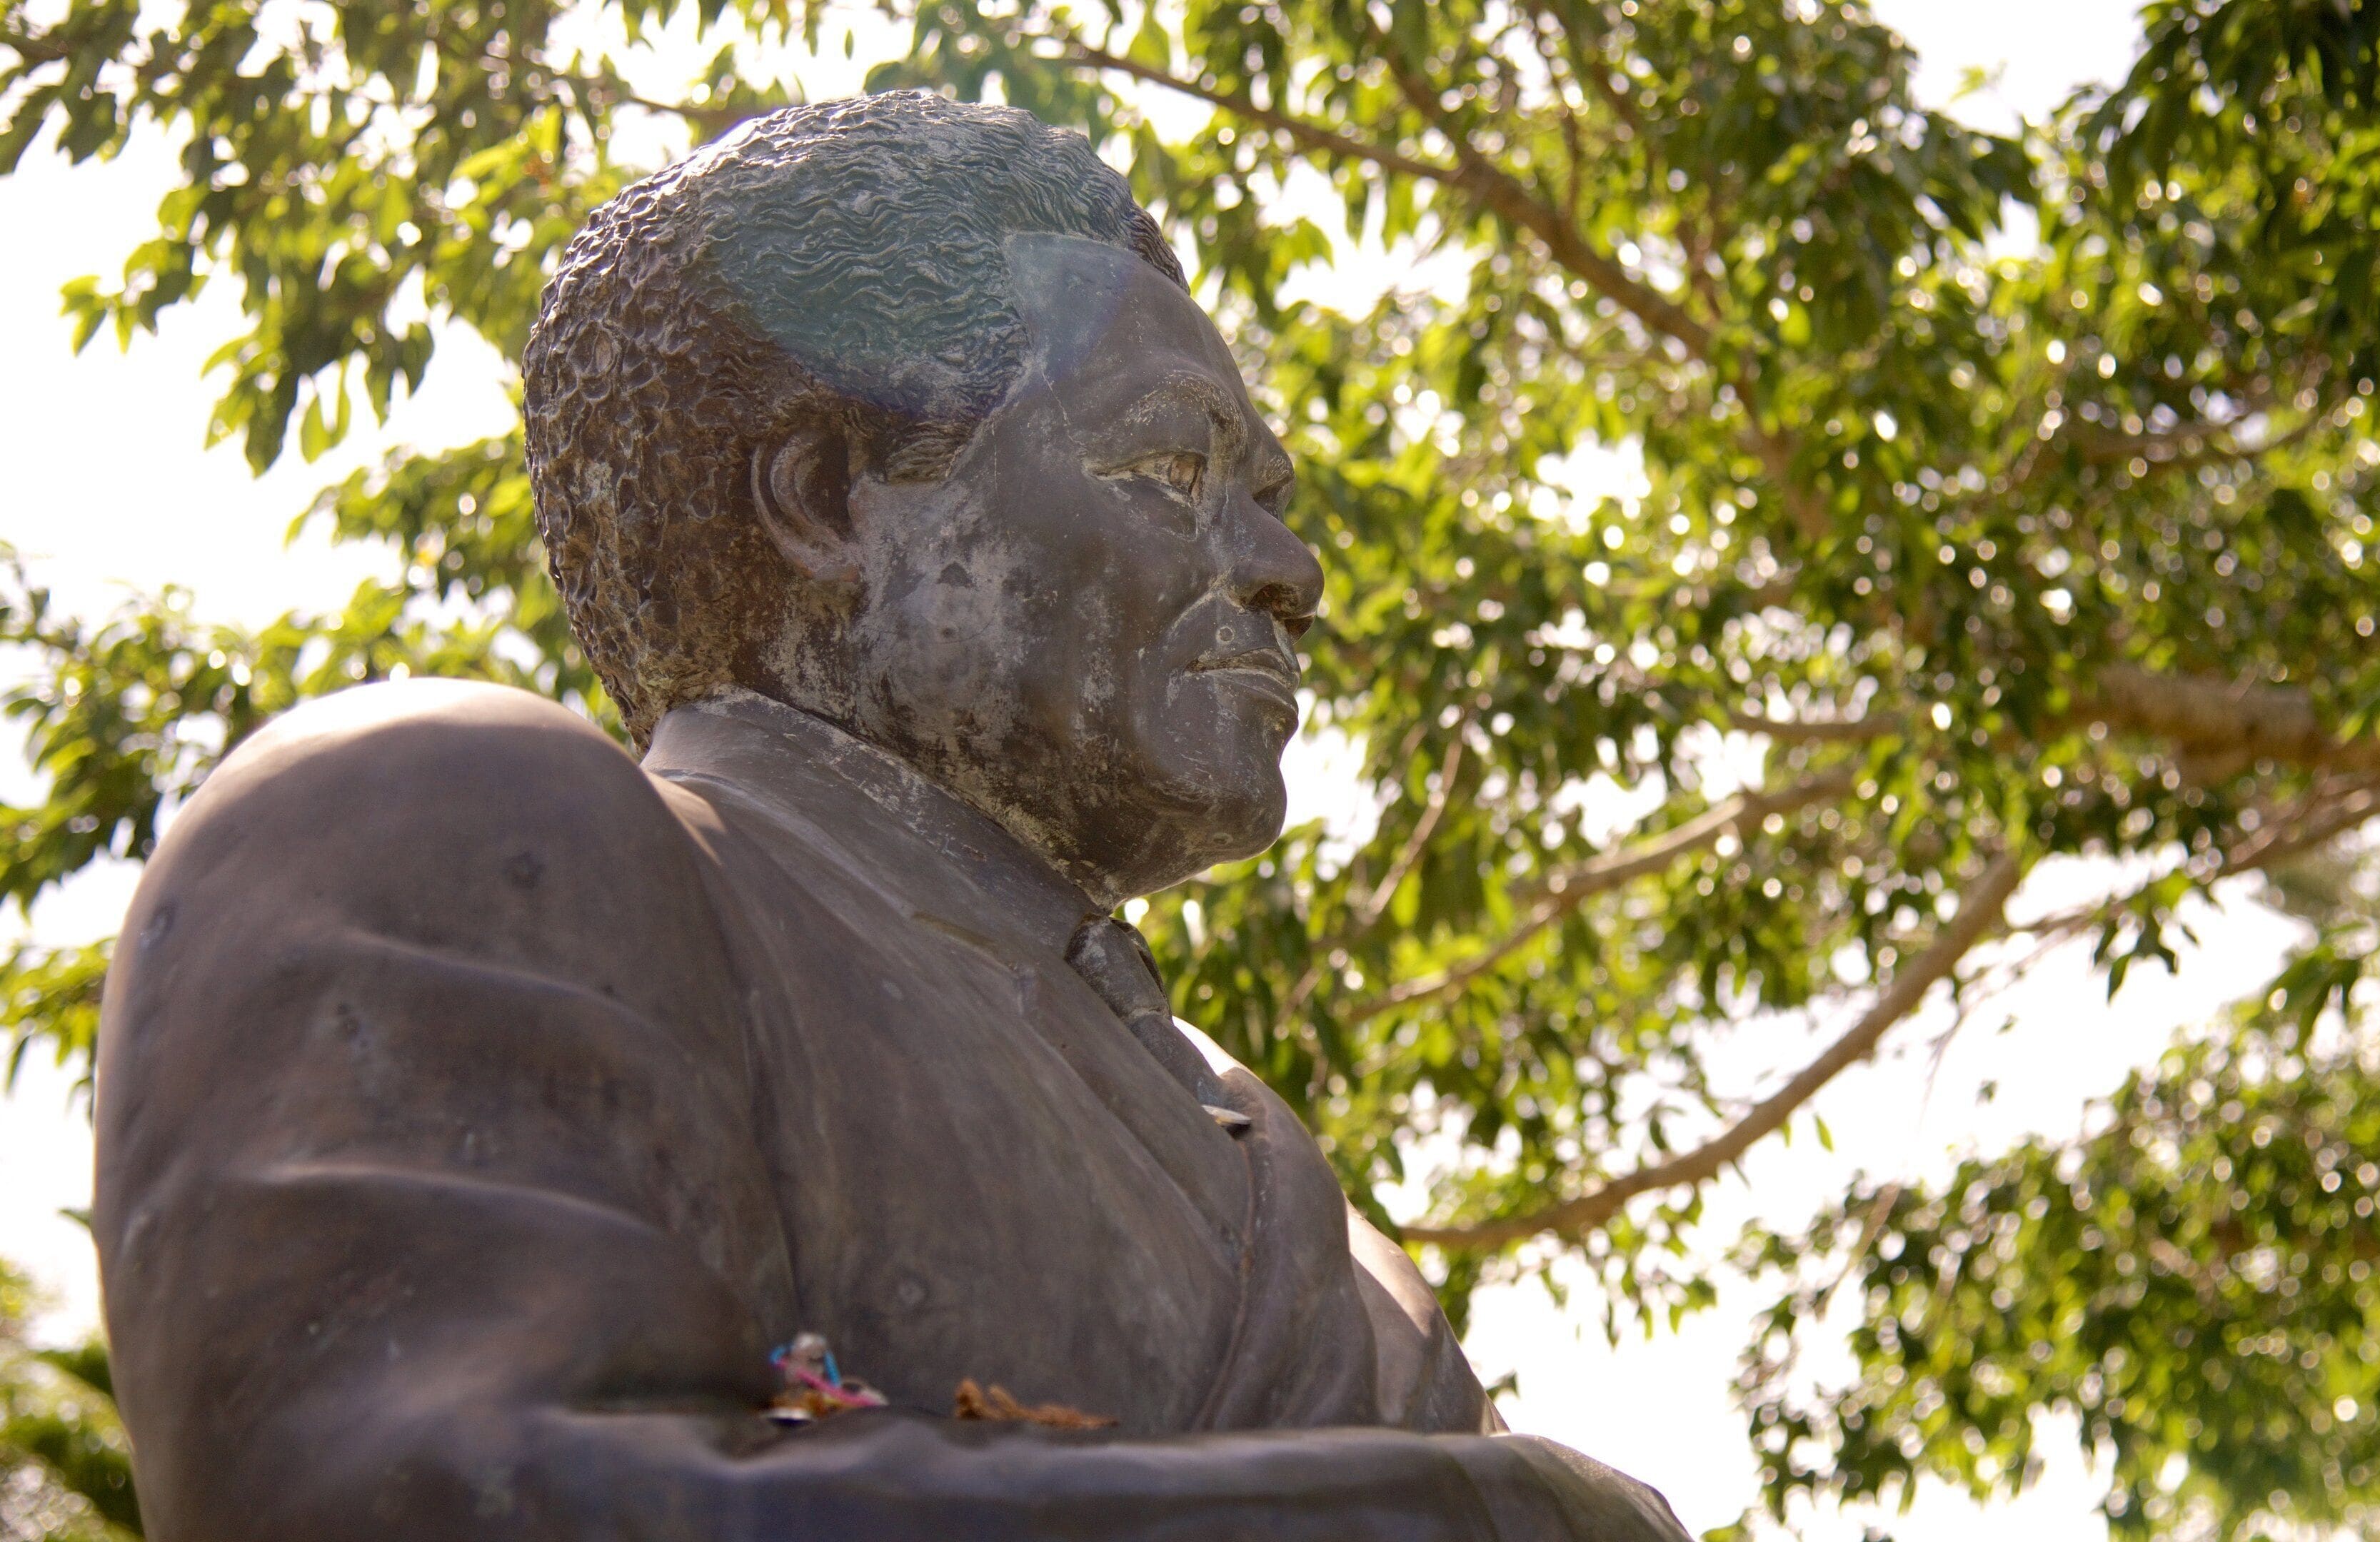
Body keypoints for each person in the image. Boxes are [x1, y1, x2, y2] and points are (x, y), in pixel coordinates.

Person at [91, 91, 1689, 1541]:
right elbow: (423, 1496)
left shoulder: (1287, 1197)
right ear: (828, 498)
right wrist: (1446, 1521)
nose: (1291, 573)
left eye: (1267, 500)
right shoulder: (446, 824)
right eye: (1167, 470)